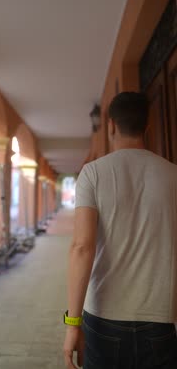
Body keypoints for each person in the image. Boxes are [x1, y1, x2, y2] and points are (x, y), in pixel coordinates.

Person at [63, 92, 177, 369]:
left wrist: (72, 325)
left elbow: (82, 248)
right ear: (147, 128)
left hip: (103, 318)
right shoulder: (173, 175)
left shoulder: (92, 174)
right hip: (161, 320)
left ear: (111, 125)